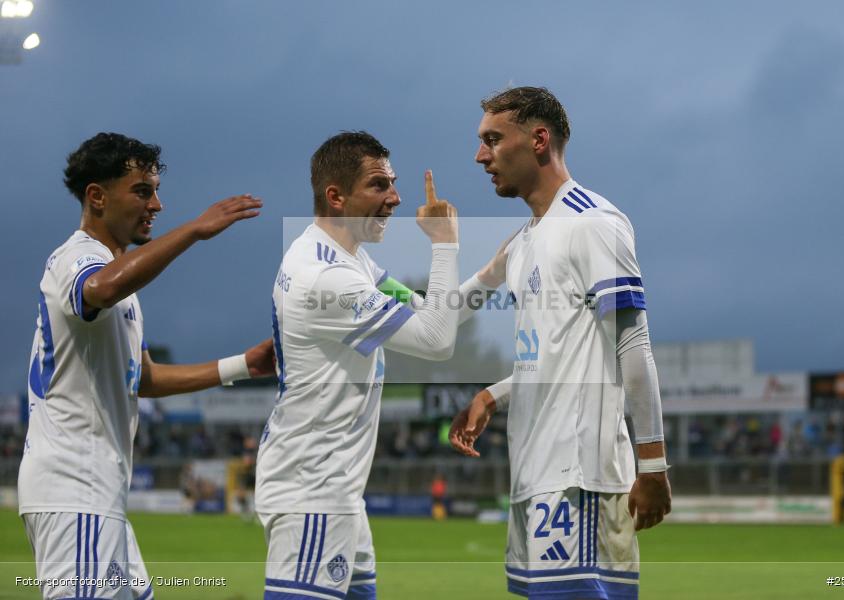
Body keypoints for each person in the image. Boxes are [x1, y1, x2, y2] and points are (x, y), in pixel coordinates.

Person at [18, 132, 276, 600]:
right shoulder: (78, 258)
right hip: (72, 488)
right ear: (97, 196)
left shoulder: (118, 278)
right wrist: (195, 231)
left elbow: (146, 378)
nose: (156, 204)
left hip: (98, 494)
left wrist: (244, 364)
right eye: (142, 191)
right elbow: (98, 289)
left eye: (156, 190)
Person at [256, 131, 504, 600]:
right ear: (336, 195)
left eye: (392, 183)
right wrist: (444, 244)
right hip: (313, 490)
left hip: (335, 489)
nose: (395, 197)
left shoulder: (349, 262)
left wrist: (494, 272)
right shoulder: (328, 278)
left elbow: (434, 313)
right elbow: (437, 340)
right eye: (378, 185)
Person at [449, 87, 671, 599]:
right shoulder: (524, 241)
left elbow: (632, 348)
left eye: (493, 140)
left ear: (539, 140)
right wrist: (492, 395)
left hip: (578, 478)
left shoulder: (592, 223)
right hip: (534, 471)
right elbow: (554, 352)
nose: (481, 156)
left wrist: (653, 465)